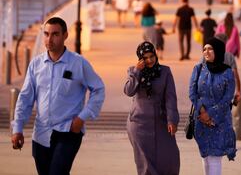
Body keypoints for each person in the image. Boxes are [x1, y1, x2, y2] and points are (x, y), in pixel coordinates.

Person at [10, 17, 105, 175]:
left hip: (68, 131)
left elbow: (99, 89)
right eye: (46, 34)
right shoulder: (36, 64)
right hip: (40, 133)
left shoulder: (78, 63)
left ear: (65, 35)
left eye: (55, 34)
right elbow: (25, 98)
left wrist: (82, 117)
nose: (49, 39)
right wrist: (17, 128)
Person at [124, 41, 180, 175]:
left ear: (156, 55)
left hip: (162, 123)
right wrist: (137, 72)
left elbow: (170, 97)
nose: (149, 60)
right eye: (145, 57)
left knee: (169, 159)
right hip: (139, 124)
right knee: (145, 164)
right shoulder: (133, 71)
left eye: (152, 56)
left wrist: (172, 120)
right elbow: (128, 91)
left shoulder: (165, 71)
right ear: (140, 58)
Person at [189, 37, 237, 175]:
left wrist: (210, 114)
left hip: (220, 120)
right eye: (204, 49)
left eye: (210, 49)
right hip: (201, 119)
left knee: (215, 157)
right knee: (205, 156)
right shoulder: (198, 69)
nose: (206, 52)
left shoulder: (228, 72)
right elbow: (192, 93)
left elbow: (227, 98)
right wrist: (202, 112)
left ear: (218, 51)